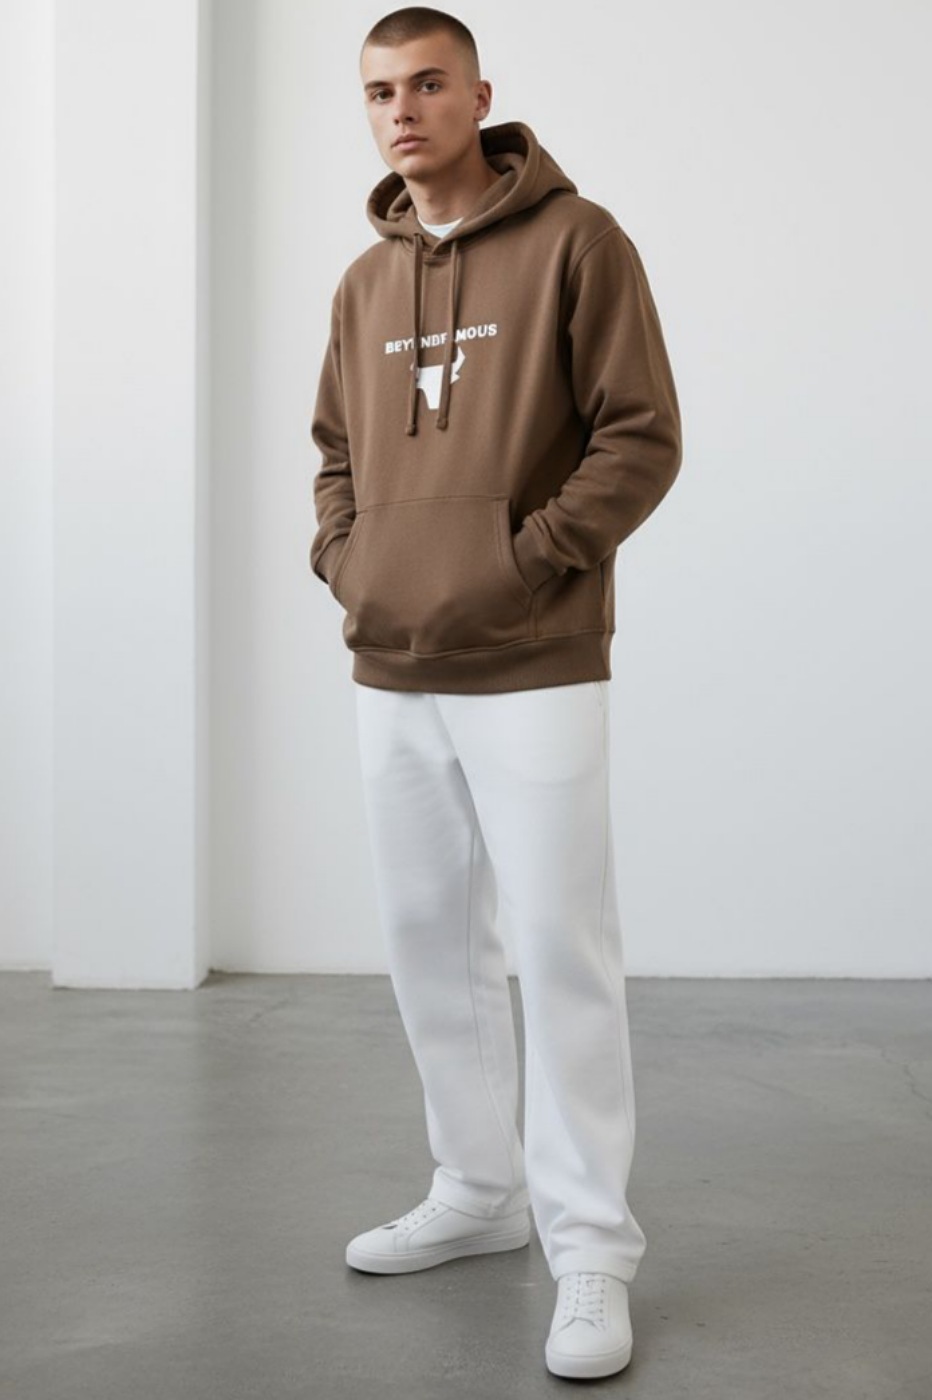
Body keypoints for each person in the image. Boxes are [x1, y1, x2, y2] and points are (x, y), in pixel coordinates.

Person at [309, 5, 682, 1381]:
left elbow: (642, 436)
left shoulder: (581, 244)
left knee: (560, 945)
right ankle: (477, 1191)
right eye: (378, 93)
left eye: (426, 85)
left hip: (534, 655)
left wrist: (525, 563)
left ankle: (592, 1251)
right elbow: (335, 456)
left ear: (478, 96)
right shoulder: (364, 283)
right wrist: (350, 564)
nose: (401, 112)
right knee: (428, 938)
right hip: (391, 659)